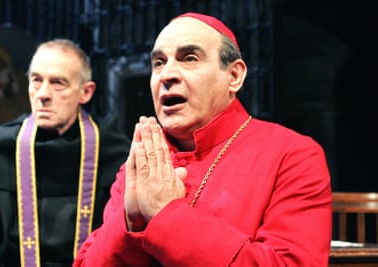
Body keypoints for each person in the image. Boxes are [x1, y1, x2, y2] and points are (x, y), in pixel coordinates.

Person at [72, 12, 332, 267]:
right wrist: (131, 222)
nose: (166, 74)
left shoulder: (293, 155)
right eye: (159, 62)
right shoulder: (141, 164)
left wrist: (168, 216)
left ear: (234, 76)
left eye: (190, 58)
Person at [0, 38, 130, 267]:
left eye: (58, 83)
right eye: (36, 80)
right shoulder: (2, 146)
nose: (43, 94)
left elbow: (125, 236)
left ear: (85, 92)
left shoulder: (111, 150)